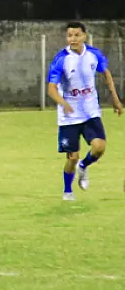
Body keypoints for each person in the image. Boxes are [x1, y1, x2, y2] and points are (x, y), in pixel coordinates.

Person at [48, 22, 123, 200]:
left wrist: (115, 98)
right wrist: (63, 103)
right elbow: (51, 88)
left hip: (90, 112)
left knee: (99, 148)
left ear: (84, 36)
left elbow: (106, 73)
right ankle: (68, 191)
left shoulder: (93, 55)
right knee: (72, 157)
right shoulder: (61, 59)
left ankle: (84, 166)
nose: (73, 39)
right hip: (69, 117)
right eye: (69, 36)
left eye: (76, 35)